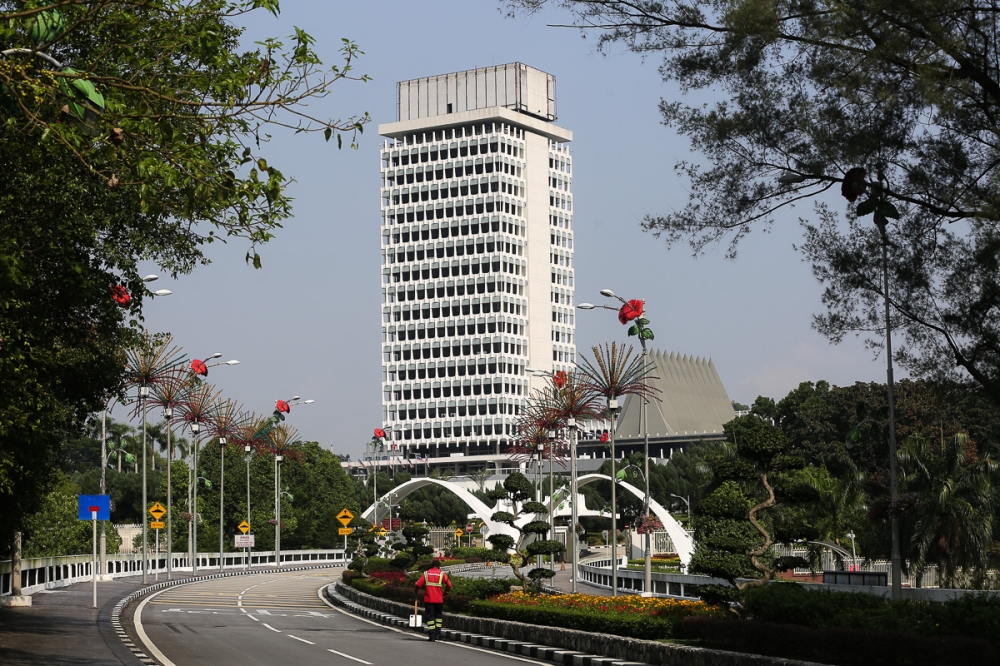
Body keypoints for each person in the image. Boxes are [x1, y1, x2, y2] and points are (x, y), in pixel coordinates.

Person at [414, 559, 451, 641]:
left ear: (431, 566)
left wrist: (416, 589)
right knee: (438, 617)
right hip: (439, 599)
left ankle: (432, 636)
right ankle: (438, 634)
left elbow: (418, 584)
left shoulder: (426, 573)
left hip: (429, 599)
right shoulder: (442, 574)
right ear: (439, 566)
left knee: (430, 618)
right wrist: (445, 594)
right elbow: (449, 584)